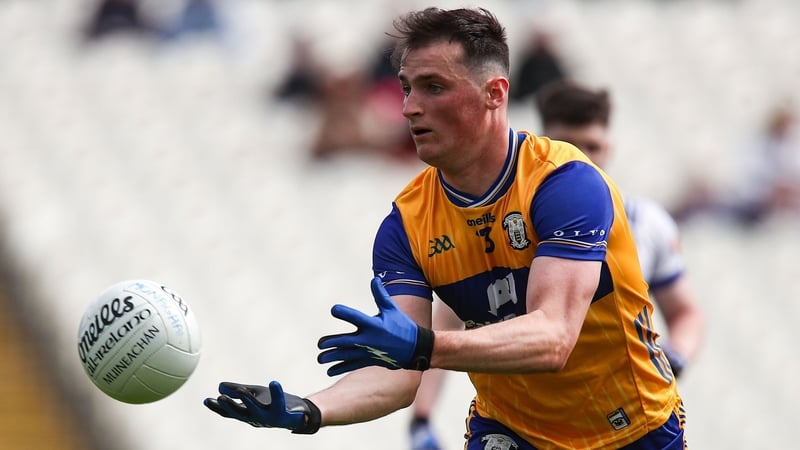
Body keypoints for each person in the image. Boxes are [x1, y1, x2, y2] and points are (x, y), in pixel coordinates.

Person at [204, 8, 687, 449]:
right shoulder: (406, 225)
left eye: (433, 87)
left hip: (633, 430)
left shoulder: (565, 183)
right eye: (406, 87)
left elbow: (552, 338)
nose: (409, 107)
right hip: (511, 433)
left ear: (495, 93)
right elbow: (398, 377)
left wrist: (426, 348)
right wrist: (309, 409)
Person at [407, 81, 705, 450]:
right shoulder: (508, 223)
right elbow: (448, 323)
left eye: (592, 147)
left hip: (620, 417)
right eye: (571, 145)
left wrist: (677, 356)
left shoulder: (647, 224)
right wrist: (421, 418)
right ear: (546, 143)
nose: (582, 158)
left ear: (608, 147)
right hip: (525, 424)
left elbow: (685, 310)